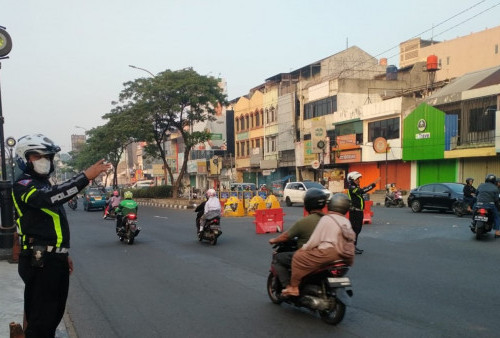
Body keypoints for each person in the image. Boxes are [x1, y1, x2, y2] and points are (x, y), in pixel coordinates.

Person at [12, 133, 110, 337]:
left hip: (53, 259)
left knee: (52, 318)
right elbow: (49, 199)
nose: (44, 161)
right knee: (41, 321)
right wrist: (85, 177)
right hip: (39, 260)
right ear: (24, 158)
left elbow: (51, 224)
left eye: (47, 157)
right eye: (37, 156)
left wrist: (62, 253)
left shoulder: (44, 184)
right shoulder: (24, 185)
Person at [282, 193, 355, 296]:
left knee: (298, 257)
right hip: (346, 255)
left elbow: (315, 240)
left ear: (331, 205)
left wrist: (304, 248)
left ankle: (294, 287)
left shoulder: (327, 219)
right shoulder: (346, 221)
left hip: (329, 253)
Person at [268, 188, 328, 289]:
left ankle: (289, 287)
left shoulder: (304, 222)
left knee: (278, 258)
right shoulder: (330, 220)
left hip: (309, 257)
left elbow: (286, 236)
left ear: (308, 204)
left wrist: (274, 240)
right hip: (329, 256)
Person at [347, 171, 379, 254]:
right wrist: (373, 184)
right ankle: (350, 247)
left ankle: (353, 246)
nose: (358, 180)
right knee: (354, 230)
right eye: (356, 179)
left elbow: (361, 190)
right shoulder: (352, 188)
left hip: (359, 212)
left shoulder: (356, 187)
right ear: (351, 180)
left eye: (358, 179)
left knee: (357, 230)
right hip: (354, 212)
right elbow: (363, 191)